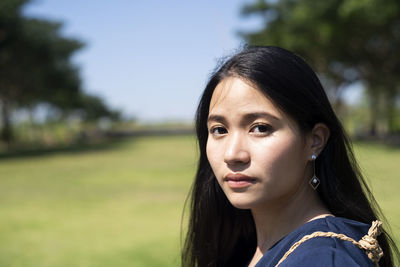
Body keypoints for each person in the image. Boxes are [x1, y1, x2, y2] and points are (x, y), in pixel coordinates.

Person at [182, 46, 398, 267]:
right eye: (219, 130)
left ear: (315, 140)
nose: (232, 154)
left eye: (260, 128)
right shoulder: (244, 247)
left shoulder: (325, 258)